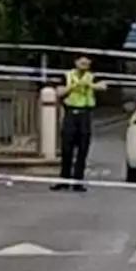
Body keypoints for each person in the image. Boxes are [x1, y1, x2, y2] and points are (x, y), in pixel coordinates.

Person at [53, 56, 107, 191]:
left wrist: (89, 85)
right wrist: (73, 86)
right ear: (75, 62)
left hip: (85, 115)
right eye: (81, 62)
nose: (84, 65)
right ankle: (64, 180)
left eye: (86, 63)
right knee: (67, 150)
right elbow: (59, 92)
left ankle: (78, 182)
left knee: (83, 150)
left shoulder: (91, 77)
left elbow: (103, 86)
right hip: (70, 114)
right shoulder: (67, 76)